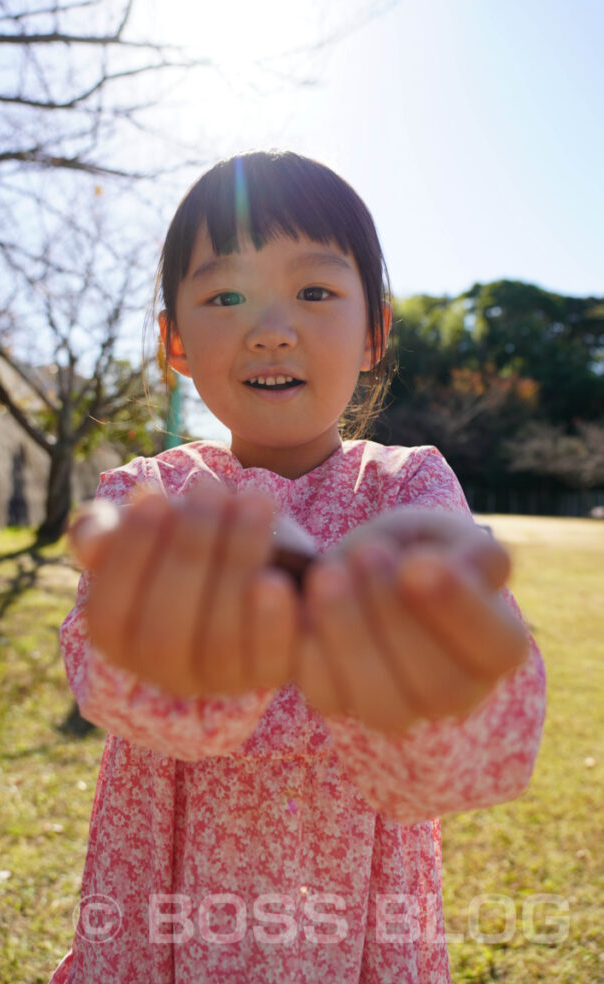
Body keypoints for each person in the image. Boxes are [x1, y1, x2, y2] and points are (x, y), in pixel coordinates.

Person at [48, 151, 546, 984]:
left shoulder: (406, 490)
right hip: (165, 904)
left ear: (374, 332)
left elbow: (459, 752)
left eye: (314, 292)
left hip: (352, 911)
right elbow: (101, 669)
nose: (269, 327)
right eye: (224, 295)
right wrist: (170, 659)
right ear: (174, 339)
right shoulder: (154, 496)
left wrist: (450, 674)